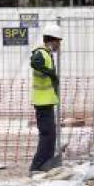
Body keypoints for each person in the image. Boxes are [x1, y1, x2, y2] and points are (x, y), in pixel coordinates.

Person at [29, 24, 64, 174]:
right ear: (53, 40)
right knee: (47, 134)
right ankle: (37, 166)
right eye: (59, 41)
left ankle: (46, 163)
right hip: (42, 102)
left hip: (47, 101)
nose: (59, 45)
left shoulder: (47, 53)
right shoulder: (41, 53)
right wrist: (50, 72)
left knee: (50, 134)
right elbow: (35, 62)